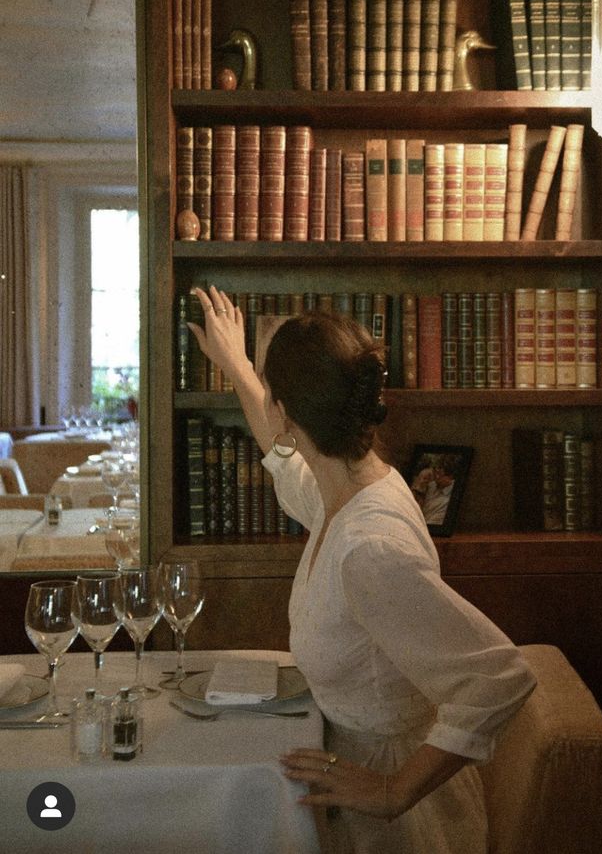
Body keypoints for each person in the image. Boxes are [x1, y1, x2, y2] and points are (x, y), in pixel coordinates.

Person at [188, 286, 536, 854]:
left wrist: (394, 790)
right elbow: (282, 459)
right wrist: (241, 368)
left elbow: (500, 678)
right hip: (345, 774)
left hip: (400, 825)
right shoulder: (345, 487)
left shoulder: (369, 547)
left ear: (288, 413)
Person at [420, 455, 458, 526]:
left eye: (439, 474)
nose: (435, 476)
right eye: (435, 472)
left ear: (450, 476)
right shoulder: (431, 485)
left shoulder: (451, 497)